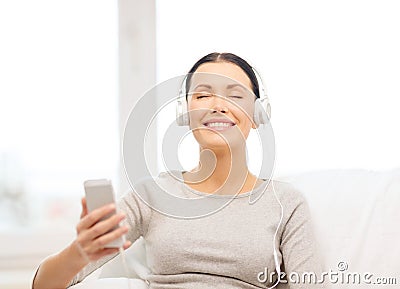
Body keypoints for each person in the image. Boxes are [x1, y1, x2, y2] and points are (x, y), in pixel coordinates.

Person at [32, 52, 326, 289]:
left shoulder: (287, 203)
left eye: (235, 95)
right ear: (184, 113)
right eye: (202, 95)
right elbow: (43, 285)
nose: (218, 105)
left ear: (259, 113)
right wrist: (80, 252)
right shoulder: (153, 194)